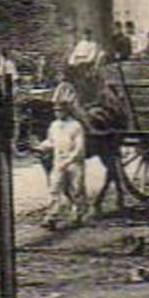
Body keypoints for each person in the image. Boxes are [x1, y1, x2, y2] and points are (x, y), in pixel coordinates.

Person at [39, 88, 88, 229]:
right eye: (56, 111)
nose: (57, 113)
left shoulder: (76, 126)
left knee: (76, 189)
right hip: (58, 162)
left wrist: (69, 160)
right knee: (54, 189)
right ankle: (51, 217)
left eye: (60, 111)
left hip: (74, 163)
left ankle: (78, 215)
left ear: (67, 111)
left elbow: (79, 148)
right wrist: (41, 147)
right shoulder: (54, 125)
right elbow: (51, 141)